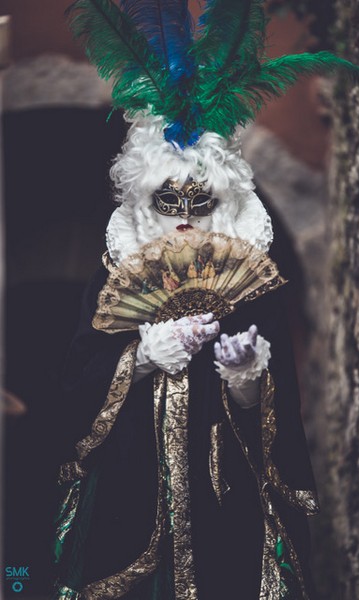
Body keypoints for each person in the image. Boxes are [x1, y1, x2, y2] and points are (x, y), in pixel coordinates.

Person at [53, 113, 319, 600]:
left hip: (223, 485)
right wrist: (141, 357)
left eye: (201, 201)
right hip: (131, 482)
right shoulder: (114, 272)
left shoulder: (252, 286)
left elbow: (277, 407)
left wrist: (244, 377)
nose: (184, 216)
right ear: (144, 197)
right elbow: (77, 380)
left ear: (223, 200)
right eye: (168, 199)